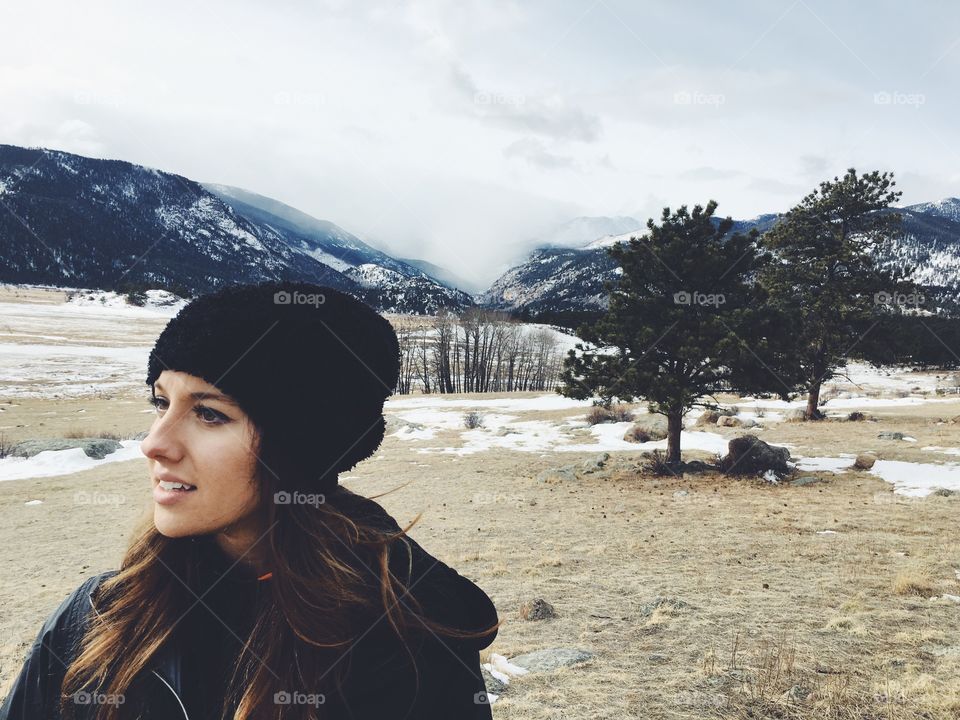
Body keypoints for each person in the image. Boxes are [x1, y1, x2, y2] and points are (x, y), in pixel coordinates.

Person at [0, 280, 501, 720]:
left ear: (299, 445)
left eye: (210, 414)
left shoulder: (406, 646)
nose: (154, 443)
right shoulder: (99, 617)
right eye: (161, 403)